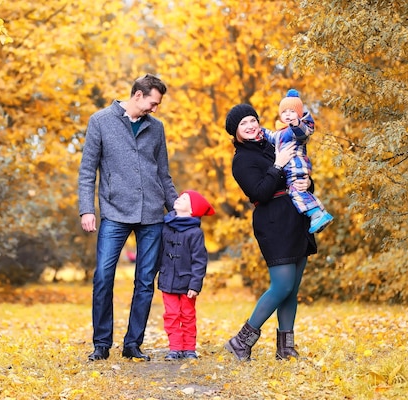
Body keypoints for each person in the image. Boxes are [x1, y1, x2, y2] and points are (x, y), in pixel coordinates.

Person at [78, 74, 179, 362]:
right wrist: (87, 209)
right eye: (153, 103)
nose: (155, 109)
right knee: (103, 277)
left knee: (145, 282)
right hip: (115, 212)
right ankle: (101, 343)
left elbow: (164, 173)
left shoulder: (156, 129)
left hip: (151, 215)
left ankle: (133, 344)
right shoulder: (100, 121)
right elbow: (87, 170)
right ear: (137, 95)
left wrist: (176, 210)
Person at [223, 103, 318, 361]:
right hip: (273, 222)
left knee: (292, 287)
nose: (251, 125)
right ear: (236, 131)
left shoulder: (272, 143)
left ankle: (285, 348)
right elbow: (260, 192)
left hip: (297, 215)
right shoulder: (242, 160)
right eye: (244, 123)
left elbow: (297, 169)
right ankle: (241, 340)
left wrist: (308, 182)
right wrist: (277, 164)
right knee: (282, 284)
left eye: (253, 120)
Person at [157, 190, 215, 360]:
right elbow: (159, 252)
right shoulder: (166, 226)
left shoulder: (195, 233)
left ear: (191, 211)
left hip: (187, 282)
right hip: (168, 279)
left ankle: (189, 348)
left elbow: (199, 261)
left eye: (184, 199)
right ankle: (174, 348)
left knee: (188, 315)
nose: (178, 198)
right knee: (171, 315)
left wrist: (195, 285)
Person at [265, 89, 333, 233]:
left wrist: (297, 123)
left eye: (292, 111)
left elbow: (304, 133)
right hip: (289, 170)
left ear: (299, 114)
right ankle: (321, 213)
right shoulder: (280, 133)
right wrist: (261, 131)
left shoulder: (296, 129)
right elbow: (270, 136)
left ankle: (315, 215)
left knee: (295, 192)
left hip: (297, 167)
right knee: (299, 190)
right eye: (284, 112)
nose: (288, 115)